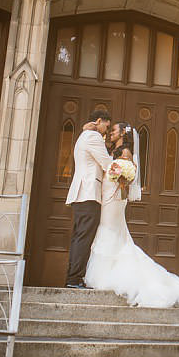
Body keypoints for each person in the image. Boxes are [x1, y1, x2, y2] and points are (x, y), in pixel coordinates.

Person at [84, 121, 179, 308]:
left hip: (114, 198)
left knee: (110, 229)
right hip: (107, 197)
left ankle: (108, 274)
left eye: (113, 131)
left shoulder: (126, 152)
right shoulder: (113, 150)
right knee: (108, 229)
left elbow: (130, 176)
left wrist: (118, 176)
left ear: (122, 133)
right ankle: (106, 271)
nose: (111, 133)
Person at [64, 109, 113, 289]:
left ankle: (73, 277)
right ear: (99, 121)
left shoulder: (85, 135)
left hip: (82, 194)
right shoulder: (93, 137)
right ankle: (74, 279)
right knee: (83, 237)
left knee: (79, 237)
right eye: (106, 126)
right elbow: (106, 163)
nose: (106, 131)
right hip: (88, 193)